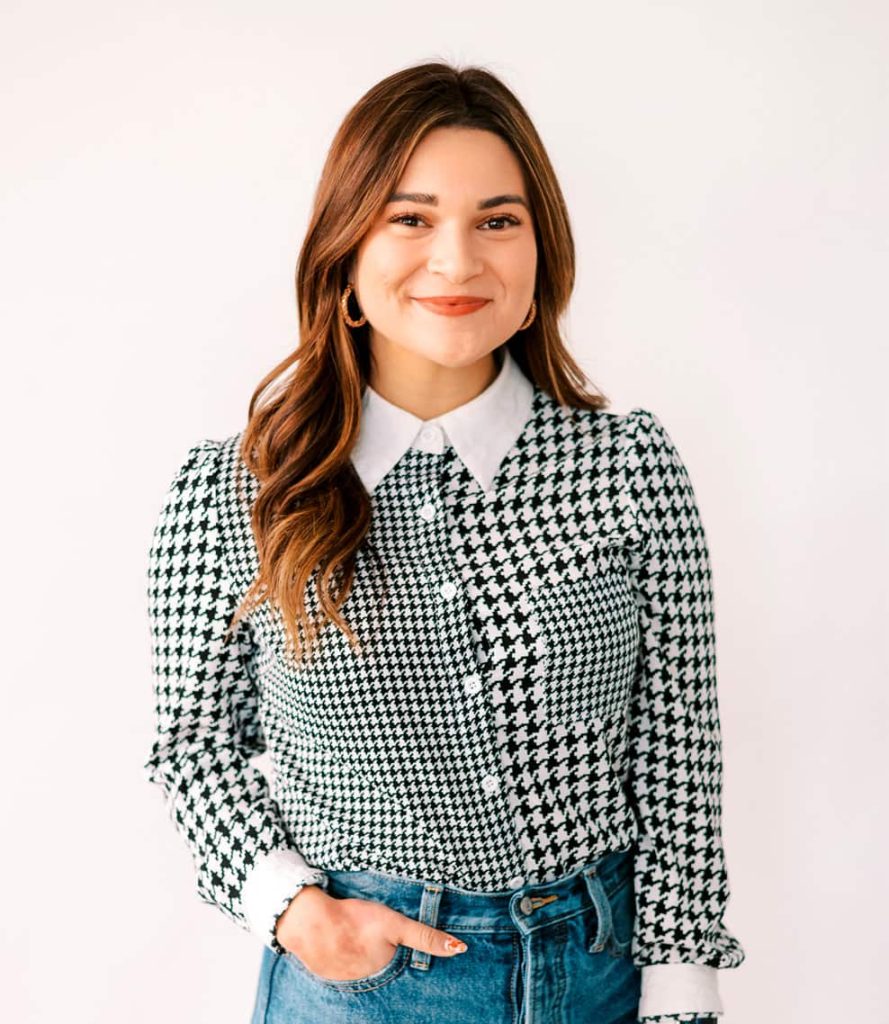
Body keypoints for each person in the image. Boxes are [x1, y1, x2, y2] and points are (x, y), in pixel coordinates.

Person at [143, 59, 744, 1024]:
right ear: (345, 252)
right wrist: (292, 909)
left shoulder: (627, 465)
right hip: (359, 987)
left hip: (599, 978)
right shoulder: (236, 490)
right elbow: (195, 751)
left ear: (541, 253)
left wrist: (681, 987)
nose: (457, 261)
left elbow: (676, 751)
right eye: (411, 219)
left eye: (497, 221)